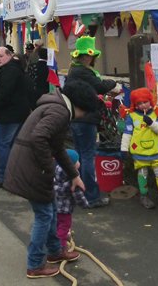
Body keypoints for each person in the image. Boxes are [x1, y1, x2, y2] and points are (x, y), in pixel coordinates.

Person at [4, 86, 97, 279]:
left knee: (51, 209)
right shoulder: (59, 112)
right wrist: (50, 168)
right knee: (44, 215)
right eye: (84, 112)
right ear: (80, 106)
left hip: (31, 166)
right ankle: (35, 264)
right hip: (32, 169)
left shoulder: (56, 107)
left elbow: (57, 147)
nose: (81, 117)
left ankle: (55, 251)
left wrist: (74, 175)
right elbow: (39, 138)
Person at [62, 36, 120, 207]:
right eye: (92, 56)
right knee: (87, 157)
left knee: (79, 156)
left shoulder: (74, 71)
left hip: (76, 118)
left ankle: (79, 192)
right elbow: (100, 86)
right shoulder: (83, 72)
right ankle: (91, 196)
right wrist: (113, 82)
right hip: (86, 119)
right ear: (87, 56)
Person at [120, 88, 158, 210]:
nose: (142, 105)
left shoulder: (157, 113)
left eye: (145, 102)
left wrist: (151, 123)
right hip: (139, 151)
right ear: (135, 104)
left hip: (155, 151)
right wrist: (124, 148)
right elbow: (127, 133)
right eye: (139, 103)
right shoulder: (132, 116)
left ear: (150, 101)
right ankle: (144, 196)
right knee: (143, 173)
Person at [0, 46, 36, 189]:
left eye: (1, 56)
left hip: (7, 116)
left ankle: (5, 176)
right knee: (10, 145)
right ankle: (14, 175)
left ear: (9, 55)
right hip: (11, 114)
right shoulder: (12, 69)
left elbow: (5, 93)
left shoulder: (11, 70)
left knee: (2, 144)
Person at [54, 149, 90, 252]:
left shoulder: (57, 169)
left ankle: (54, 241)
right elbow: (78, 195)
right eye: (77, 161)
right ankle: (61, 247)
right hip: (65, 208)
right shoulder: (73, 179)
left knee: (57, 224)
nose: (79, 163)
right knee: (64, 226)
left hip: (55, 205)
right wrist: (85, 205)